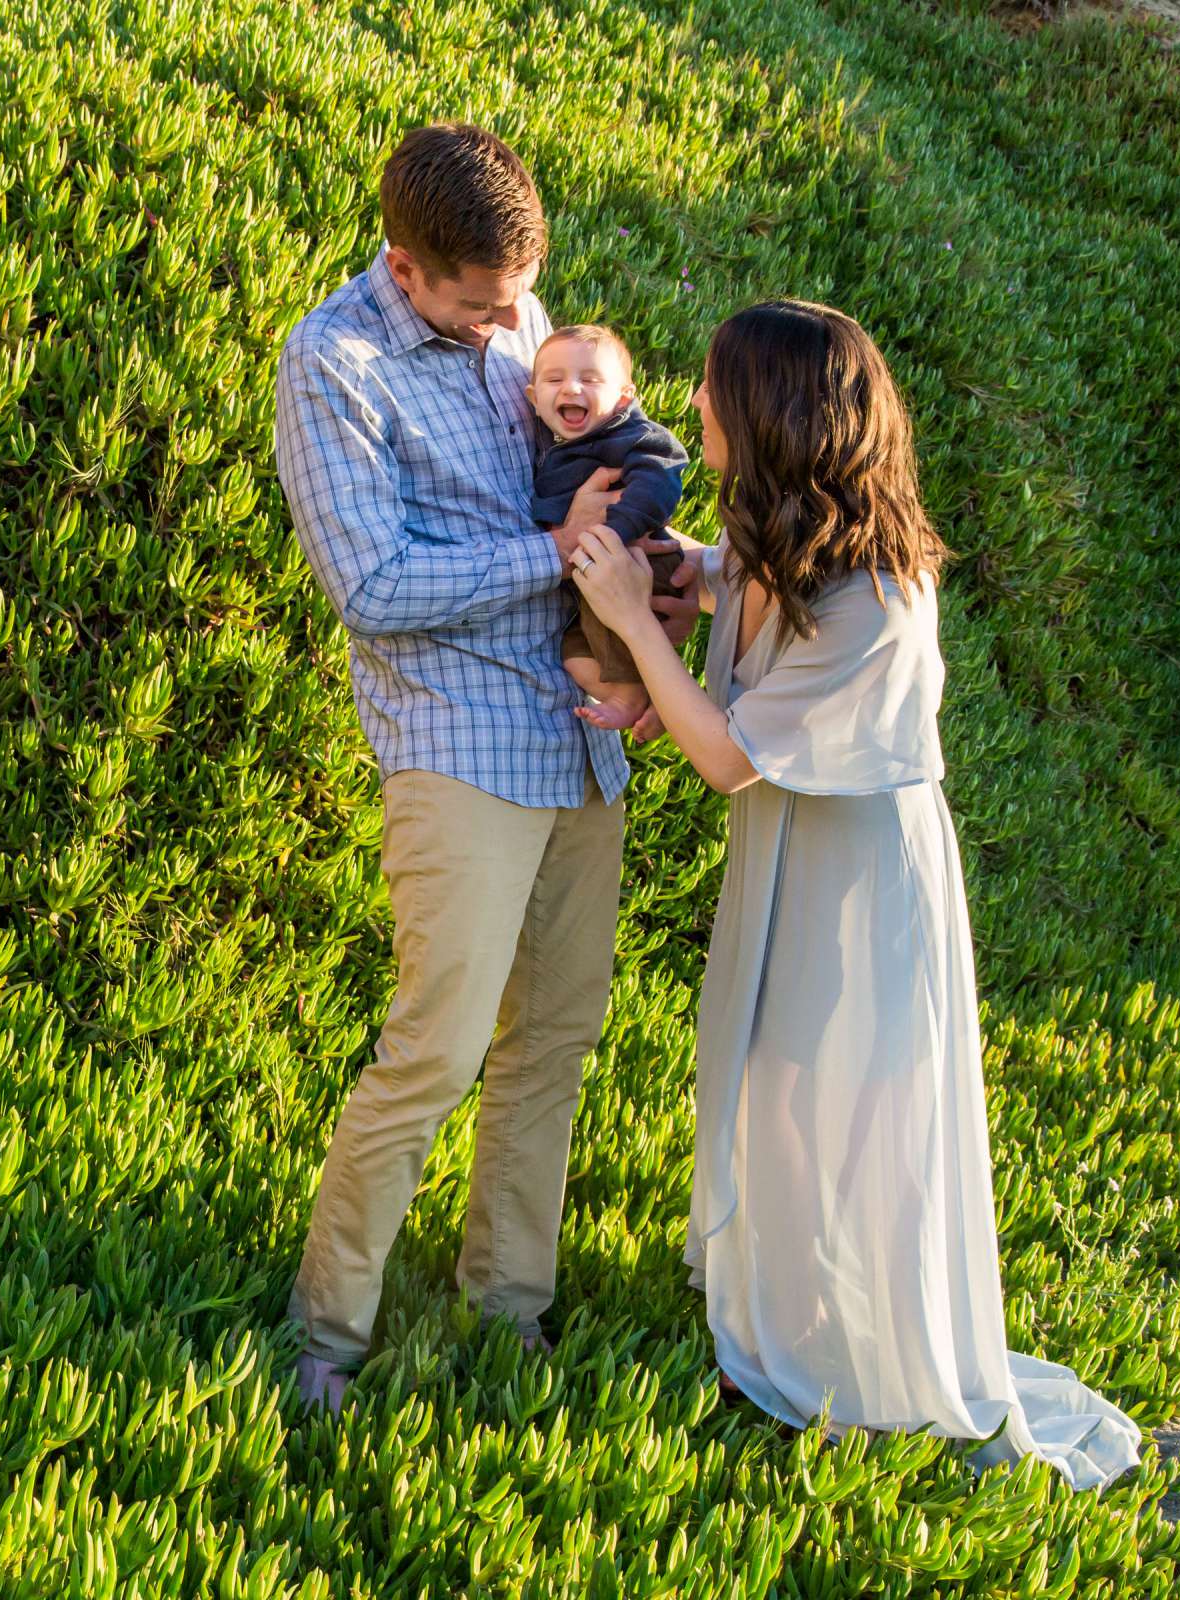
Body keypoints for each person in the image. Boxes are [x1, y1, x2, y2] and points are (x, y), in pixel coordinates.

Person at [566, 298, 1142, 1489]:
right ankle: (789, 1321)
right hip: (795, 854)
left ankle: (856, 1356)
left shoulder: (880, 600)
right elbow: (758, 590)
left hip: (860, 879)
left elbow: (728, 753)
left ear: (772, 416)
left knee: (845, 1105)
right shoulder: (800, 543)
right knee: (780, 1090)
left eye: (718, 392)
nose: (700, 408)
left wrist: (637, 619)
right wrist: (693, 578)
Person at [271, 123, 700, 1413]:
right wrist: (565, 555)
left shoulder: (513, 308)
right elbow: (376, 586)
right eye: (480, 303)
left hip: (578, 739)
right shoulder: (330, 363)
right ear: (405, 268)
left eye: (521, 297)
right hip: (457, 742)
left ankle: (505, 1311)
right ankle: (325, 1334)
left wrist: (649, 578)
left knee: (553, 1042)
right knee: (437, 1051)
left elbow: (593, 451)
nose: (511, 324)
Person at [526, 324, 689, 731]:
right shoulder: (557, 449)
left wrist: (616, 532)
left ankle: (632, 695)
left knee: (610, 628)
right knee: (574, 654)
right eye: (554, 379)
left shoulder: (634, 438)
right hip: (594, 579)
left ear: (623, 397)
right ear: (533, 398)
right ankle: (642, 692)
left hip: (635, 563)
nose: (571, 389)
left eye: (590, 379)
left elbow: (659, 481)